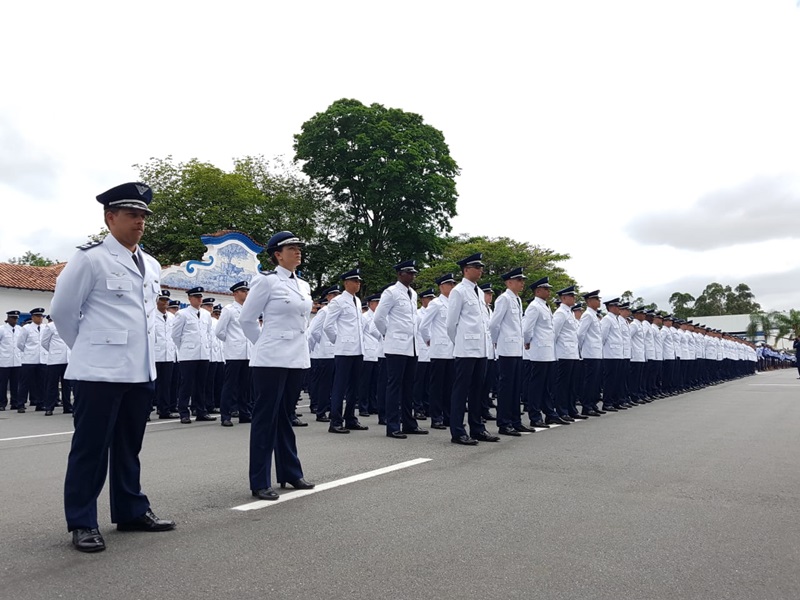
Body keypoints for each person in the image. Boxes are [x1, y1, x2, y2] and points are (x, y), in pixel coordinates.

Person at [50, 181, 175, 553]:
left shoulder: (151, 264)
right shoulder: (90, 259)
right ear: (110, 218)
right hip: (98, 373)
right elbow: (63, 312)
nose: (140, 222)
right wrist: (88, 351)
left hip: (140, 370)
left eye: (143, 216)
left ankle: (131, 510)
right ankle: (83, 522)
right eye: (132, 214)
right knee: (90, 449)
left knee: (128, 447)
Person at [240, 230, 315, 501]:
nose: (297, 251)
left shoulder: (303, 285)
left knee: (285, 416)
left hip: (296, 357)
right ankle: (260, 480)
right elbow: (247, 319)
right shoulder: (266, 282)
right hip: (270, 359)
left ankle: (290, 472)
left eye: (298, 247)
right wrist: (264, 343)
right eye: (291, 248)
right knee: (265, 419)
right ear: (277, 255)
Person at [446, 253, 500, 445]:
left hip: (481, 349)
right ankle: (458, 431)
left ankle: (477, 428)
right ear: (466, 270)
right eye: (477, 267)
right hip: (465, 349)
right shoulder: (459, 291)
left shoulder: (478, 292)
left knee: (478, 390)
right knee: (461, 391)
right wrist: (460, 343)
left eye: (481, 267)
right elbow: (450, 324)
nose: (480, 270)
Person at [373, 260, 427, 439]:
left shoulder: (412, 293)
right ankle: (393, 425)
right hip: (396, 346)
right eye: (408, 273)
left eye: (413, 273)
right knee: (394, 386)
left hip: (412, 346)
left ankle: (409, 423)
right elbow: (379, 318)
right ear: (399, 274)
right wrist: (389, 334)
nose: (412, 276)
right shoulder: (391, 292)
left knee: (408, 387)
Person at [323, 269, 376, 434]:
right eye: (355, 281)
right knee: (340, 387)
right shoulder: (338, 302)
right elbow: (328, 326)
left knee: (354, 387)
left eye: (359, 281)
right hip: (344, 350)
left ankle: (350, 418)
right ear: (346, 283)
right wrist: (339, 341)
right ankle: (335, 421)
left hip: (358, 349)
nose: (358, 284)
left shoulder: (357, 301)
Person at [488, 267, 533, 436]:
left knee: (515, 387)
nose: (522, 283)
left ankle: (516, 421)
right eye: (519, 280)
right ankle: (504, 423)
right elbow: (494, 324)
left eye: (522, 280)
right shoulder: (504, 299)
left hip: (516, 349)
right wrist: (495, 341)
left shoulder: (517, 299)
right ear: (509, 282)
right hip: (506, 349)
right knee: (506, 388)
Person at [171, 287, 216, 424]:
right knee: (186, 384)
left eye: (200, 297)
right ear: (190, 299)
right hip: (188, 355)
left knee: (201, 384)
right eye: (196, 297)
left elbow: (208, 333)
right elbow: (175, 335)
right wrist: (184, 347)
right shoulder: (182, 314)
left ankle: (201, 411)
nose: (199, 299)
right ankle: (184, 412)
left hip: (203, 354)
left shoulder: (206, 314)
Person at [523, 277, 562, 426]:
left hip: (548, 352)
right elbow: (527, 329)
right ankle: (535, 416)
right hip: (539, 351)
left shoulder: (545, 306)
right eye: (546, 289)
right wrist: (527, 341)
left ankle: (550, 413)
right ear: (538, 291)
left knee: (547, 385)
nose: (548, 292)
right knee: (536, 386)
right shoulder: (534, 306)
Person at [419, 273, 456, 430]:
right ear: (441, 287)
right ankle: (436, 417)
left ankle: (448, 416)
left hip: (452, 350)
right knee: (437, 386)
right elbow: (423, 326)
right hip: (439, 350)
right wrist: (429, 340)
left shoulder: (454, 303)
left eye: (453, 284)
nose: (452, 287)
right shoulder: (436, 303)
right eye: (449, 284)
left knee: (449, 386)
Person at [216, 281, 253, 427]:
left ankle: (244, 413)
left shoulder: (249, 309)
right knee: (230, 385)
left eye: (246, 291)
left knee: (245, 386)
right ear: (235, 293)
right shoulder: (229, 310)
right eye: (243, 291)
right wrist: (232, 341)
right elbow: (219, 331)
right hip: (234, 353)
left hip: (247, 352)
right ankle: (226, 415)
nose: (246, 293)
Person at [552, 286, 586, 421]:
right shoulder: (560, 313)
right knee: (563, 384)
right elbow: (554, 334)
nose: (574, 298)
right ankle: (562, 410)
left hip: (572, 353)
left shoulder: (569, 313)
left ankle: (571, 409)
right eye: (571, 296)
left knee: (572, 384)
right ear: (564, 298)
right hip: (563, 353)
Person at [577, 290, 604, 416]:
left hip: (596, 352)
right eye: (596, 299)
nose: (599, 301)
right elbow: (580, 334)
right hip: (589, 353)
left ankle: (593, 404)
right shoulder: (587, 315)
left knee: (595, 381)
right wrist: (581, 349)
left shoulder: (594, 315)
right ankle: (587, 406)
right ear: (589, 301)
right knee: (589, 381)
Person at [153, 290, 179, 419]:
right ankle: (147, 411)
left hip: (169, 354)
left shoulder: (172, 317)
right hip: (155, 354)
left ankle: (164, 410)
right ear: (157, 301)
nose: (165, 302)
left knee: (166, 384)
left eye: (166, 300)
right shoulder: (151, 315)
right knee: (153, 384)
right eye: (162, 300)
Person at [16, 307, 47, 412]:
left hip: (42, 359)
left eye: (41, 316)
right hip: (29, 359)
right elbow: (20, 343)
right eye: (38, 316)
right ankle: (21, 404)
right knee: (24, 383)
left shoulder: (45, 327)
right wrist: (28, 351)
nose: (40, 318)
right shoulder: (26, 328)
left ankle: (40, 403)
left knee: (41, 383)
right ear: (33, 317)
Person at [40, 319, 73, 415]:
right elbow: (44, 342)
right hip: (55, 360)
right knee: (52, 385)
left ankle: (67, 406)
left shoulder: (70, 324)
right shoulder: (51, 326)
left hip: (67, 358)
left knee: (67, 385)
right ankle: (49, 407)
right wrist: (53, 351)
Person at [0, 310, 22, 411]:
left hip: (16, 361)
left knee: (15, 384)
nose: (15, 320)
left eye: (16, 318)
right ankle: (2, 403)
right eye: (13, 318)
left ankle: (15, 402)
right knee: (2, 384)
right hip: (4, 361)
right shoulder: (2, 329)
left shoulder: (20, 329)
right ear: (8, 318)